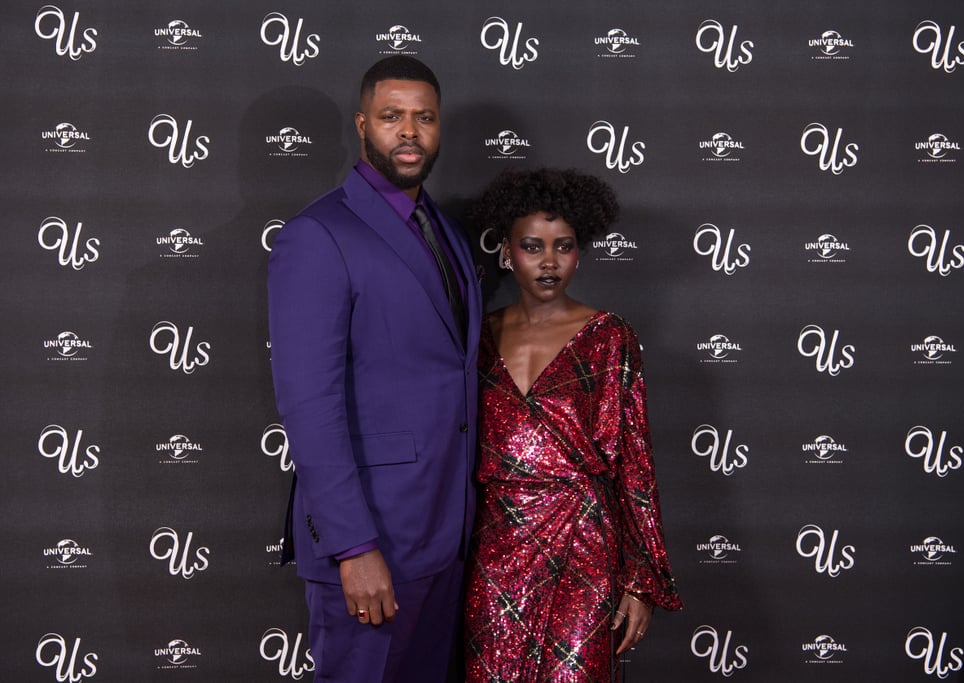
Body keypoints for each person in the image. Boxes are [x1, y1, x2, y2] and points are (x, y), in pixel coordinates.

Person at [267, 56, 481, 683]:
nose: (409, 132)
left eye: (424, 118)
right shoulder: (318, 235)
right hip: (375, 542)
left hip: (449, 535)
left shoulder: (445, 229)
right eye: (392, 117)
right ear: (363, 125)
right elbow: (310, 407)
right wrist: (353, 548)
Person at [464, 168, 682, 682]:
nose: (548, 261)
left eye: (563, 246)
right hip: (496, 544)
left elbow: (635, 464)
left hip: (583, 543)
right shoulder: (477, 337)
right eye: (532, 246)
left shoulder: (610, 338)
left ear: (579, 251)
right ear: (507, 251)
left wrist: (639, 580)